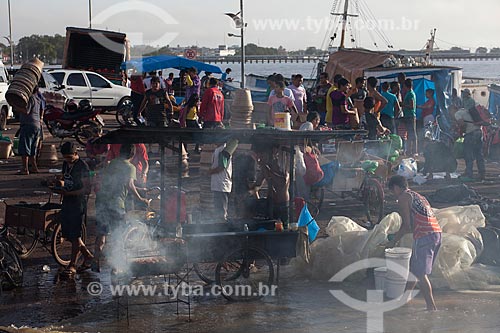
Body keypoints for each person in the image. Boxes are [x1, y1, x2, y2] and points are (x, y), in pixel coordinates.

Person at [387, 175, 442, 311]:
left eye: (392, 191)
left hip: (424, 235)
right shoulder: (418, 195)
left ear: (396, 187)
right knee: (414, 270)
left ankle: (431, 308)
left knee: (421, 273)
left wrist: (393, 241)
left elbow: (407, 226)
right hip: (436, 234)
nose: (394, 195)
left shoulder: (403, 198)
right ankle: (405, 300)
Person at [93, 144, 150, 272]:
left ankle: (95, 261)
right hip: (116, 205)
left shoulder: (112, 163)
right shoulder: (130, 167)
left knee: (102, 234)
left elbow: (120, 183)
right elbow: (130, 185)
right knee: (117, 235)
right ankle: (115, 267)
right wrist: (141, 198)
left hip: (102, 202)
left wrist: (141, 189)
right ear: (133, 155)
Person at [52, 142, 93, 276]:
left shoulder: (83, 167)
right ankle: (87, 256)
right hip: (67, 202)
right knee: (69, 235)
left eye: (70, 157)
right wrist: (59, 183)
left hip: (78, 204)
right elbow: (66, 178)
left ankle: (73, 265)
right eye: (65, 158)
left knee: (75, 235)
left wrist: (69, 193)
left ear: (76, 154)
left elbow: (87, 190)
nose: (68, 160)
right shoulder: (66, 164)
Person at [209, 139, 238, 221]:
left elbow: (221, 167)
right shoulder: (219, 150)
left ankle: (222, 226)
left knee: (221, 212)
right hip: (218, 184)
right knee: (218, 209)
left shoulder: (224, 150)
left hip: (222, 184)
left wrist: (210, 171)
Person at [18, 86, 44, 175]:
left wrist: (16, 107)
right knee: (33, 147)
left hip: (28, 124)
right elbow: (41, 110)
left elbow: (26, 111)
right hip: (37, 125)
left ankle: (25, 169)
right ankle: (34, 168)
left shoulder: (30, 98)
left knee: (25, 147)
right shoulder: (38, 98)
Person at [454, 106, 485, 181]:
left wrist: (460, 132)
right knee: (478, 154)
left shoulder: (457, 113)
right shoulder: (466, 110)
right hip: (479, 132)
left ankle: (469, 175)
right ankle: (482, 174)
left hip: (470, 134)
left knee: (468, 155)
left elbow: (462, 124)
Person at [402, 79, 418, 156]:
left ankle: (414, 151)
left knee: (412, 134)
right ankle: (409, 150)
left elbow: (411, 106)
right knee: (410, 133)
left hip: (410, 116)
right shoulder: (410, 93)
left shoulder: (410, 94)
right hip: (408, 116)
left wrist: (403, 105)